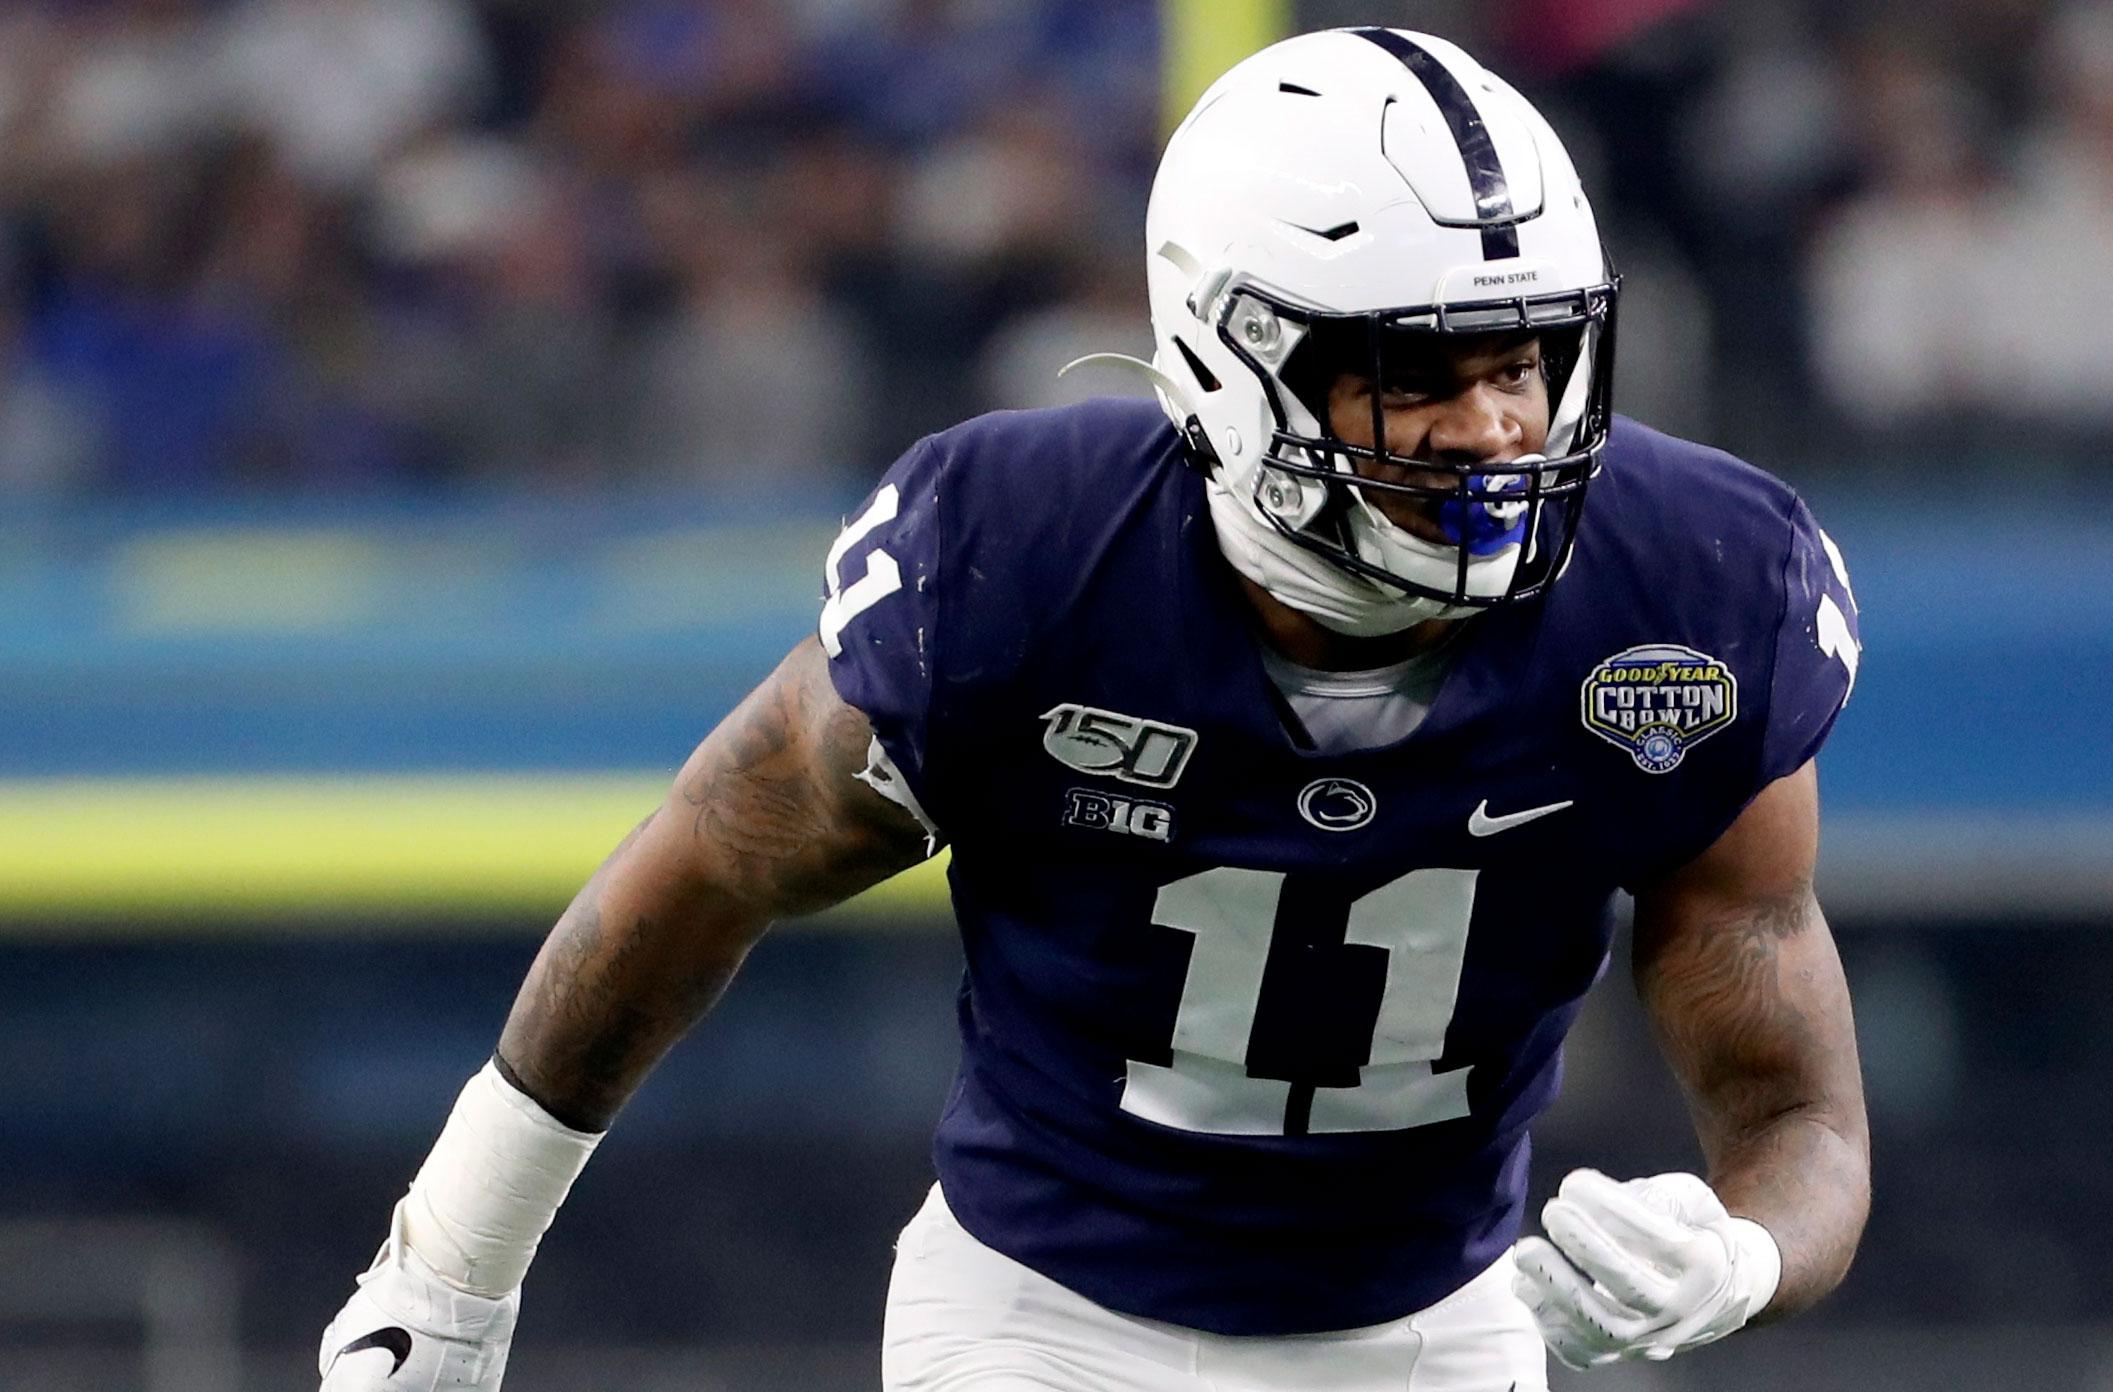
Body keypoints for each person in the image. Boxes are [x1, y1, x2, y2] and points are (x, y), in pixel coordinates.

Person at [315, 28, 1868, 1392]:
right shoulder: (1025, 570)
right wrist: (447, 1263)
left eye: (1524, 362)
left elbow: (1800, 1104)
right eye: (1418, 375)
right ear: (1230, 365)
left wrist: (1740, 1253)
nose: (1493, 429)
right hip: (1043, 1320)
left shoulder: (1685, 595)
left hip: (1435, 1330)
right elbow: (707, 867)